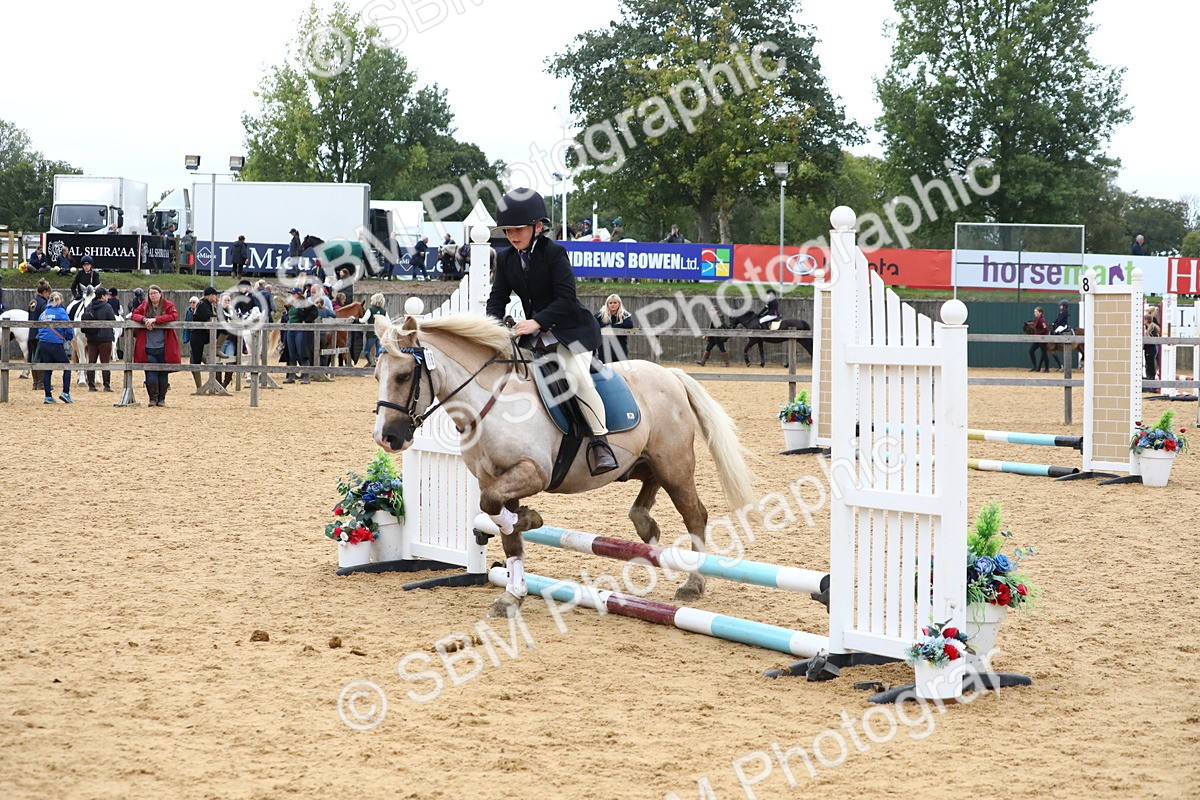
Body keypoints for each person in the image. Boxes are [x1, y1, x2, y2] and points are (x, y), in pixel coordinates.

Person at [486, 188, 617, 476]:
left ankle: (600, 441)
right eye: (507, 230)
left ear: (538, 227)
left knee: (576, 377)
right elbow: (497, 299)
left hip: (572, 331)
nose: (511, 236)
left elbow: (566, 299)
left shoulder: (555, 253)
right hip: (535, 335)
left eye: (518, 229)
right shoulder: (507, 258)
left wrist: (537, 322)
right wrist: (492, 330)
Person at [131, 285, 180, 407]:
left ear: (160, 293)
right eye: (150, 293)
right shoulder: (144, 305)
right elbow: (134, 315)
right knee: (150, 372)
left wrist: (155, 320)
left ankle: (162, 399)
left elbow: (173, 316)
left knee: (163, 372)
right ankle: (153, 399)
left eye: (155, 293)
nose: (152, 295)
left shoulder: (168, 304)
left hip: (164, 345)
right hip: (148, 345)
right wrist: (144, 320)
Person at [36, 292, 74, 404]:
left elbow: (39, 327)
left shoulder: (44, 313)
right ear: (60, 300)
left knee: (47, 369)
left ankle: (48, 396)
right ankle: (65, 393)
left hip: (43, 343)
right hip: (56, 343)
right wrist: (67, 337)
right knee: (66, 366)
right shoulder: (62, 312)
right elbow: (69, 328)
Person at [82, 287, 116, 392]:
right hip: (105, 338)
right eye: (106, 295)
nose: (108, 297)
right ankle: (106, 385)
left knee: (91, 361)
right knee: (105, 362)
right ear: (102, 296)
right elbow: (113, 321)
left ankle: (91, 385)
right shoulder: (107, 307)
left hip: (91, 338)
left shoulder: (89, 306)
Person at [284, 286, 318, 383]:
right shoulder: (292, 304)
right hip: (291, 329)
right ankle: (292, 375)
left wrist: (306, 321)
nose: (292, 296)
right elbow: (289, 316)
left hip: (300, 330)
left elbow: (314, 313)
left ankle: (306, 375)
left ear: (298, 294)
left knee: (302, 352)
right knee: (292, 353)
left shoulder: (306, 304)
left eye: (293, 294)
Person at [189, 287, 218, 390]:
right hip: (198, 335)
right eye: (214, 295)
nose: (216, 297)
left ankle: (217, 349)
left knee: (197, 358)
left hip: (204, 334)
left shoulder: (210, 304)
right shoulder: (202, 304)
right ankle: (199, 386)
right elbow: (209, 315)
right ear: (210, 295)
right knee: (196, 359)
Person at [595, 294, 634, 362]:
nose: (613, 304)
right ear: (607, 304)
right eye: (610, 303)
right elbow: (594, 323)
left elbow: (629, 324)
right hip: (604, 350)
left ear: (619, 304)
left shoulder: (625, 315)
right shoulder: (600, 315)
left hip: (620, 349)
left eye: (615, 302)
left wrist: (612, 327)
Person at [28, 279, 52, 389]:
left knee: (33, 358)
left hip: (31, 333)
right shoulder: (44, 304)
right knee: (41, 358)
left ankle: (35, 383)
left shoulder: (33, 302)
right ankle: (41, 383)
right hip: (40, 334)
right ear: (46, 292)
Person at [362, 292, 388, 367]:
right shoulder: (384, 311)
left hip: (371, 334)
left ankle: (372, 362)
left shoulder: (370, 310)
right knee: (379, 351)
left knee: (367, 351)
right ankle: (378, 364)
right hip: (380, 334)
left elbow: (363, 320)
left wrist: (355, 320)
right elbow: (388, 322)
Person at [1028, 306, 1049, 372]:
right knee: (1031, 351)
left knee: (1044, 353)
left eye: (1036, 312)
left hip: (1042, 338)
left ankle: (1046, 368)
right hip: (1038, 338)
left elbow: (1045, 329)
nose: (1034, 313)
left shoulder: (1042, 320)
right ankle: (1035, 366)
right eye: (1034, 312)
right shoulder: (1037, 319)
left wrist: (1038, 334)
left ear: (1040, 313)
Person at [1144, 313, 1160, 382]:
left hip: (1151, 348)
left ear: (1146, 320)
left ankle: (1150, 381)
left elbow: (1151, 338)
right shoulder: (1151, 327)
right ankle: (1150, 380)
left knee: (1150, 365)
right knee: (1149, 365)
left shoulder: (1151, 328)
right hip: (1152, 347)